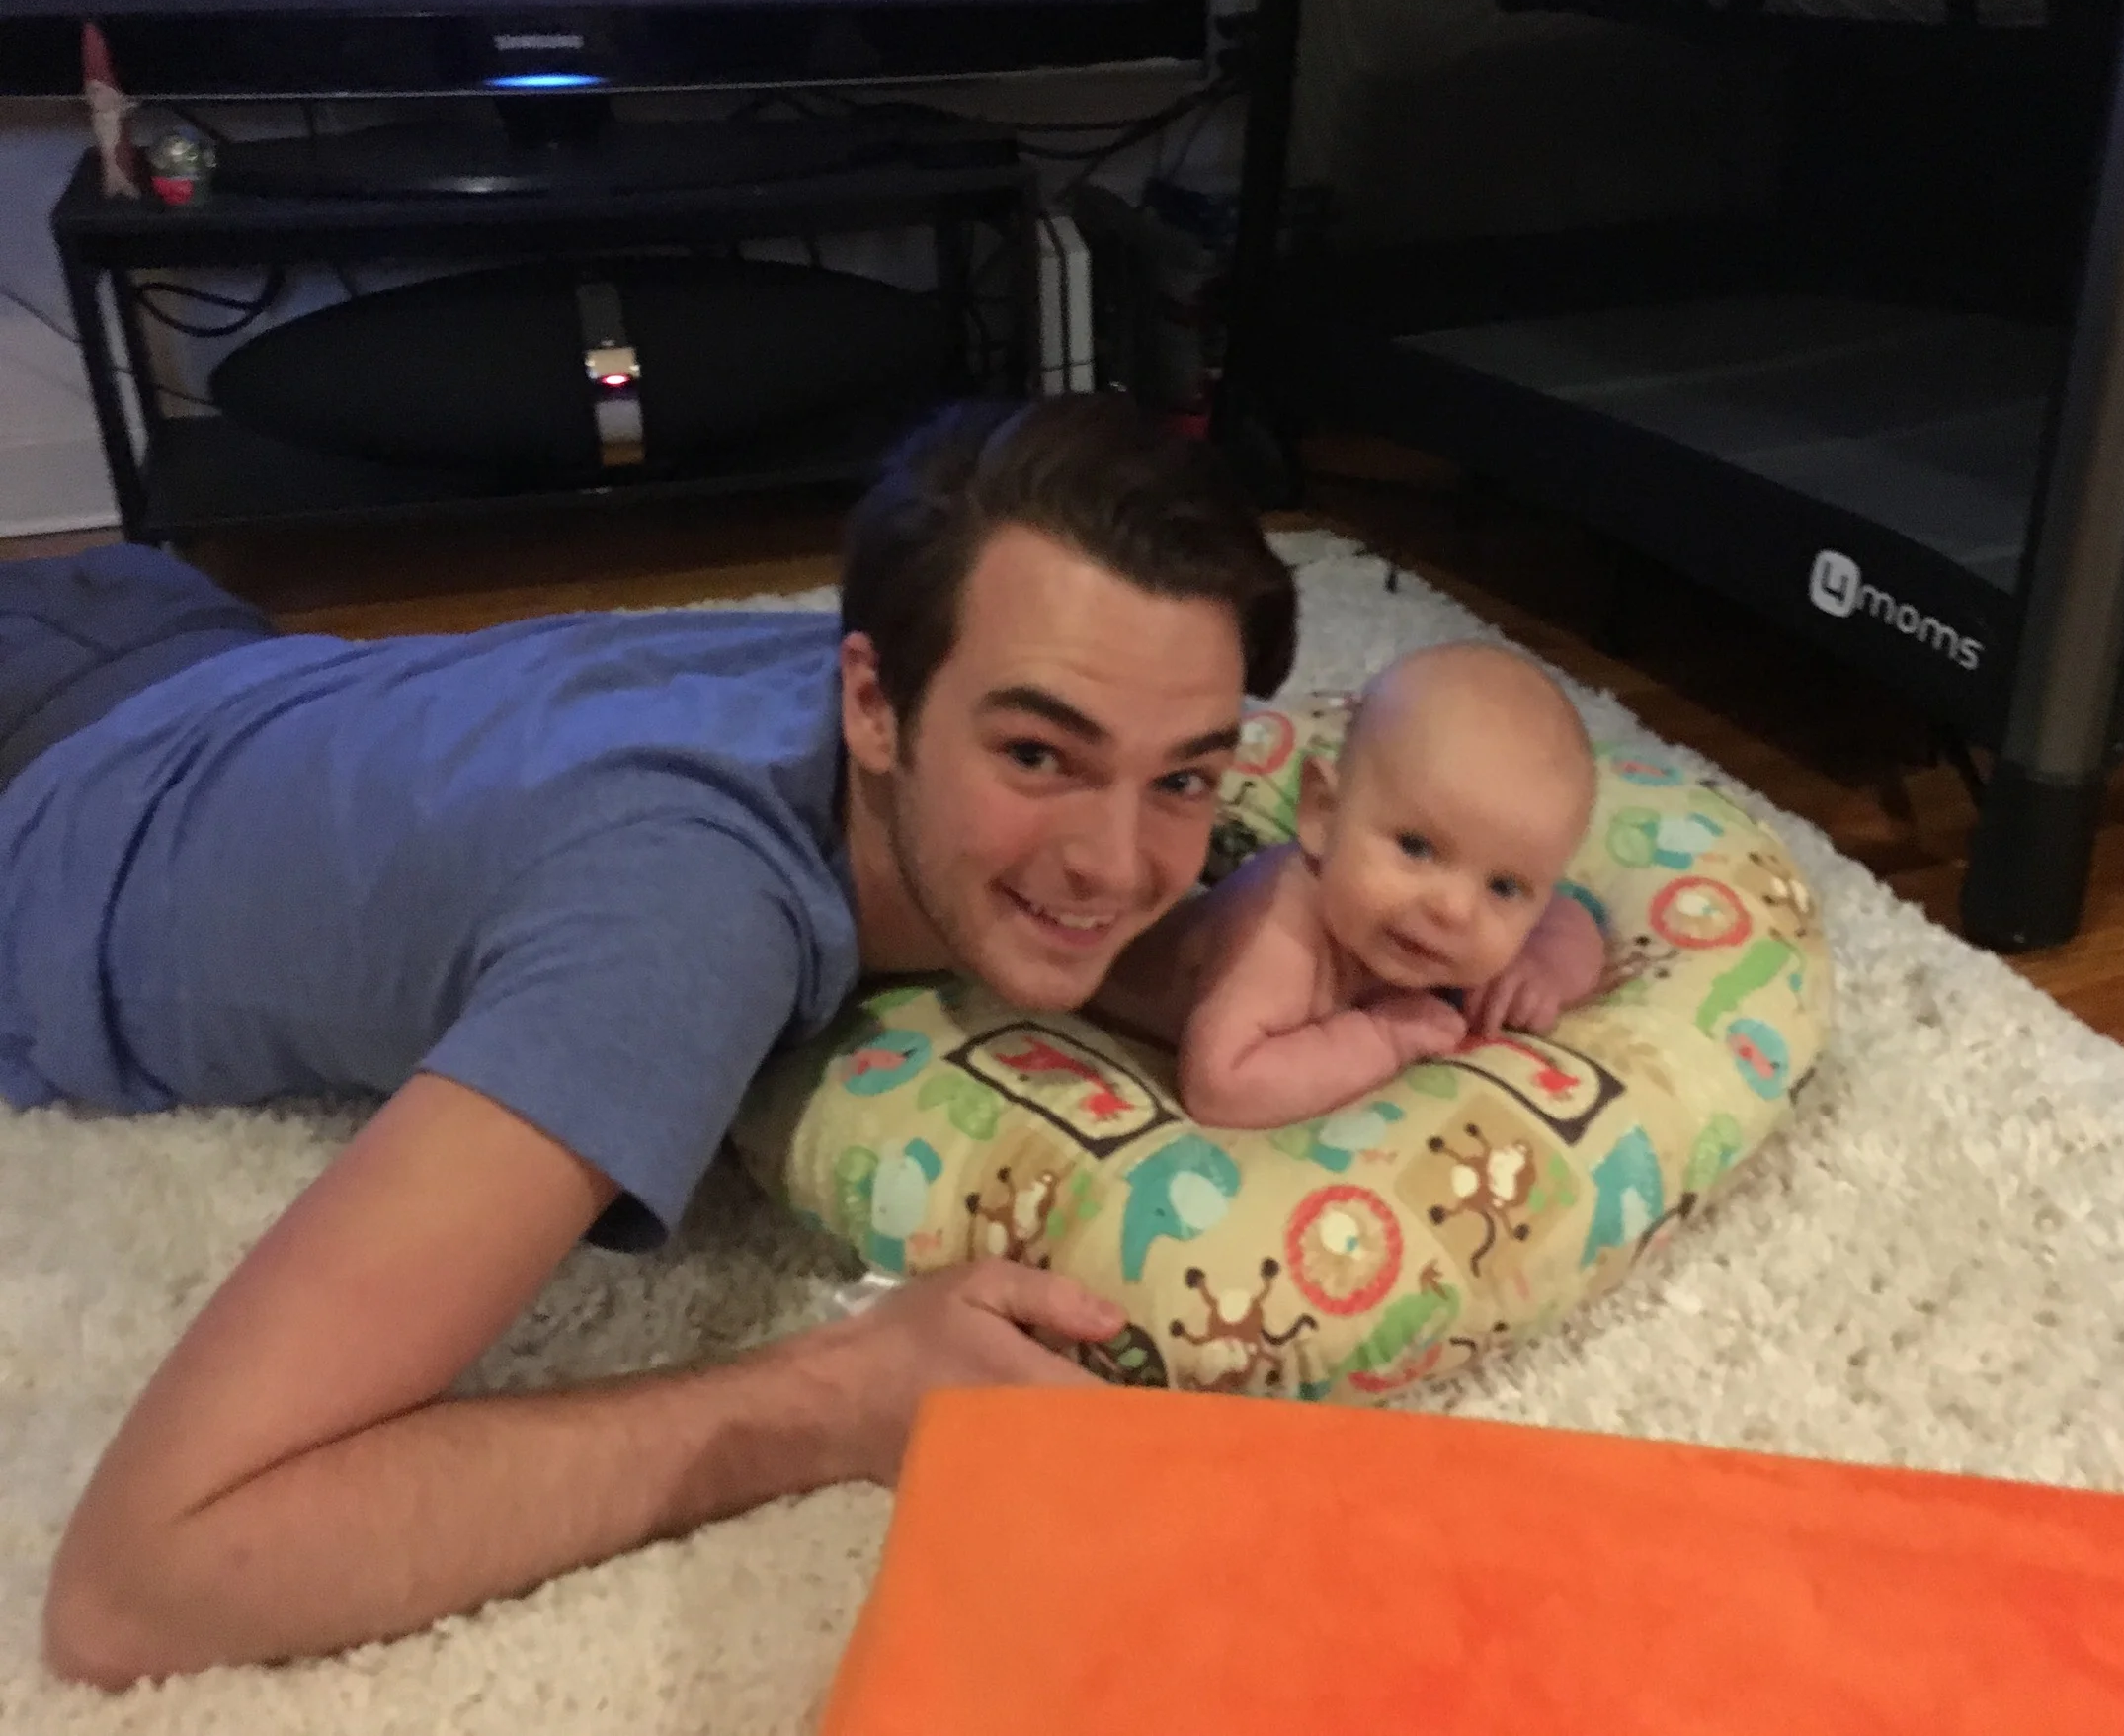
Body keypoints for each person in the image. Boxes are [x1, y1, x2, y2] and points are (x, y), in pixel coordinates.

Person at [0, 393, 1294, 1687]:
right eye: (1039, 754)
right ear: (871, 701)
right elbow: (139, 1582)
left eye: (1182, 776)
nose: (1119, 863)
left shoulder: (923, 668)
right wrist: (837, 1399)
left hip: (164, 635)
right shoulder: (681, 917)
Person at [1100, 641, 1606, 1132]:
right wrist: (1381, 1035)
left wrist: (1543, 971)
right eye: (1415, 847)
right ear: (1323, 814)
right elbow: (1221, 1085)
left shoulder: (1439, 921)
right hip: (1099, 973)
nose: (1454, 909)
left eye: (1504, 887)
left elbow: (1570, 918)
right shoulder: (1278, 921)